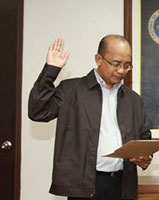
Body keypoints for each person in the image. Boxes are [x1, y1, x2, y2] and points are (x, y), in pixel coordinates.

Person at [28, 35, 152, 200]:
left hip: (122, 185)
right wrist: (50, 71)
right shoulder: (71, 90)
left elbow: (144, 136)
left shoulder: (133, 99)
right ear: (98, 59)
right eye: (116, 64)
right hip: (85, 186)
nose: (122, 70)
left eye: (127, 65)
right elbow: (38, 111)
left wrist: (145, 156)